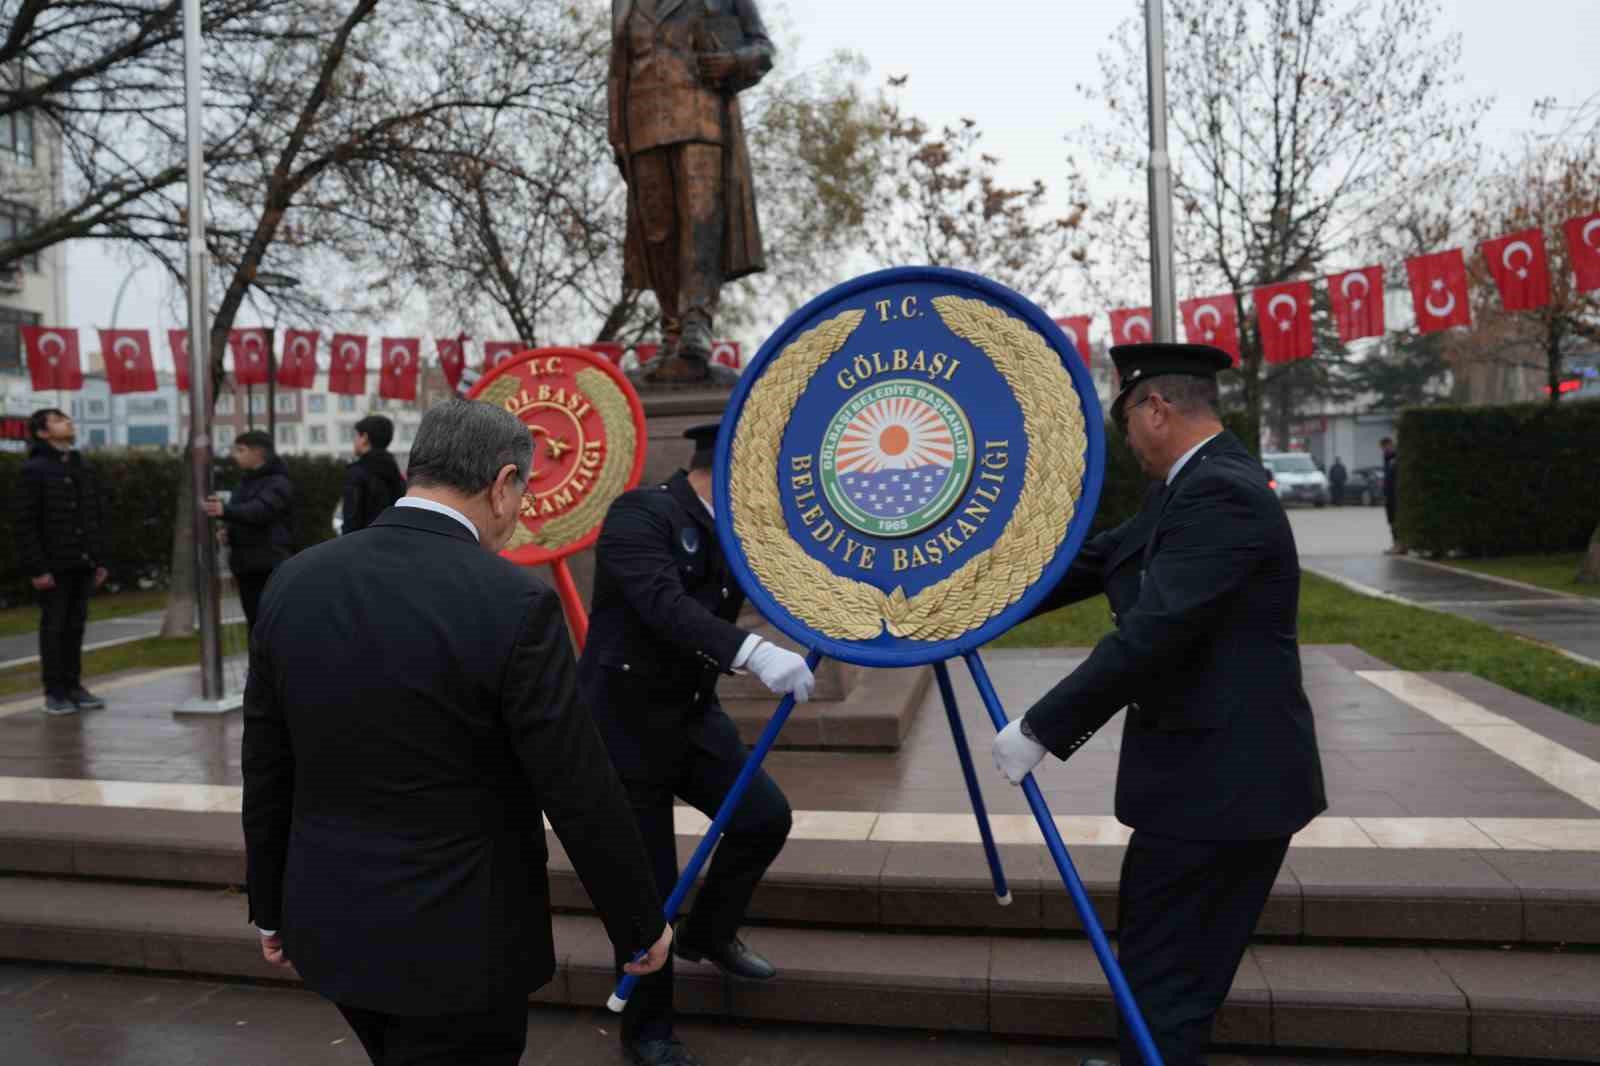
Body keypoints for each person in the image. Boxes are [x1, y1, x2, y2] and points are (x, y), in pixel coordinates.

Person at [241, 399, 671, 1066]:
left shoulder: (295, 581)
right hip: (461, 947)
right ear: (503, 484)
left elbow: (267, 764)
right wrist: (639, 921)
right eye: (524, 491)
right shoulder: (516, 603)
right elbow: (577, 784)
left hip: (330, 923)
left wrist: (269, 903)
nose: (522, 510)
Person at [991, 343, 1327, 1066]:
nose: (1128, 439)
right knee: (1162, 967)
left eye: (1126, 419)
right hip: (1206, 784)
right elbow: (1095, 561)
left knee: (1170, 973)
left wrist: (1041, 727)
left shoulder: (1221, 493)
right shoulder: (1190, 484)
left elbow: (1156, 633)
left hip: (1223, 790)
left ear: (1157, 408)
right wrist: (973, 605)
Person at [581, 422, 814, 1066]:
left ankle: (707, 934)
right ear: (726, 473)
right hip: (624, 728)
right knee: (647, 889)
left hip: (689, 716)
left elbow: (793, 585)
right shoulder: (639, 514)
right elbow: (662, 603)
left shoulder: (735, 533)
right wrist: (752, 652)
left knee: (763, 818)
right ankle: (648, 1031)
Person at [608, 0, 772, 383]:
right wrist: (616, 134)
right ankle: (672, 335)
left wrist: (734, 63)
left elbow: (763, 49)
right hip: (643, 126)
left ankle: (696, 325)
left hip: (702, 122)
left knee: (702, 225)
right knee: (657, 234)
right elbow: (617, 70)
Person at [15, 408, 108, 716]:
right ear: (42, 433)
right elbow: (25, 524)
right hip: (53, 566)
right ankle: (54, 692)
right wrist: (37, 568)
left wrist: (99, 560)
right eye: (57, 420)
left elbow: (94, 515)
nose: (67, 422)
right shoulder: (34, 469)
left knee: (76, 627)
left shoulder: (82, 466)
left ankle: (74, 687)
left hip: (82, 563)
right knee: (54, 629)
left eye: (66, 418)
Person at [203, 430, 294, 632]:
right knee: (255, 622)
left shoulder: (277, 482)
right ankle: (259, 663)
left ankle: (271, 663)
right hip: (247, 562)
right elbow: (246, 514)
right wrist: (229, 531)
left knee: (269, 623)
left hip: (267, 562)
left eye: (240, 450)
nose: (235, 455)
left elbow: (261, 511)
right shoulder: (247, 481)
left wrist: (225, 511)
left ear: (258, 452)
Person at [341, 414, 406, 534]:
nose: (354, 441)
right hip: (392, 542)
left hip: (363, 545)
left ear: (365, 438)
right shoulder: (396, 474)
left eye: (356, 436)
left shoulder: (356, 474)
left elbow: (351, 520)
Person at [1380, 436, 1403, 554]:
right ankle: (1396, 544)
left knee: (1396, 520)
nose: (1385, 449)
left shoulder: (1396, 458)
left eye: (1386, 446)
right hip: (1389, 495)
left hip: (1395, 495)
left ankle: (1400, 545)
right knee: (1391, 521)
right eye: (1383, 448)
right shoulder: (1386, 458)